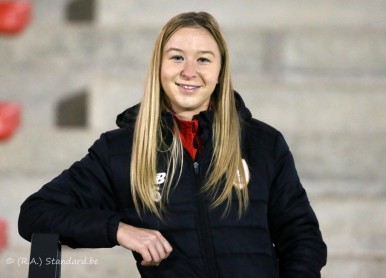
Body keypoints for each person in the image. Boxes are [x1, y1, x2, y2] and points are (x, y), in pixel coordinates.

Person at [18, 11, 327, 278]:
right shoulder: (120, 150)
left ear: (220, 73)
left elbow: (302, 237)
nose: (189, 71)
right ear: (159, 67)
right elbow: (35, 213)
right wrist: (119, 229)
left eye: (203, 60)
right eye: (177, 57)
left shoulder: (263, 143)